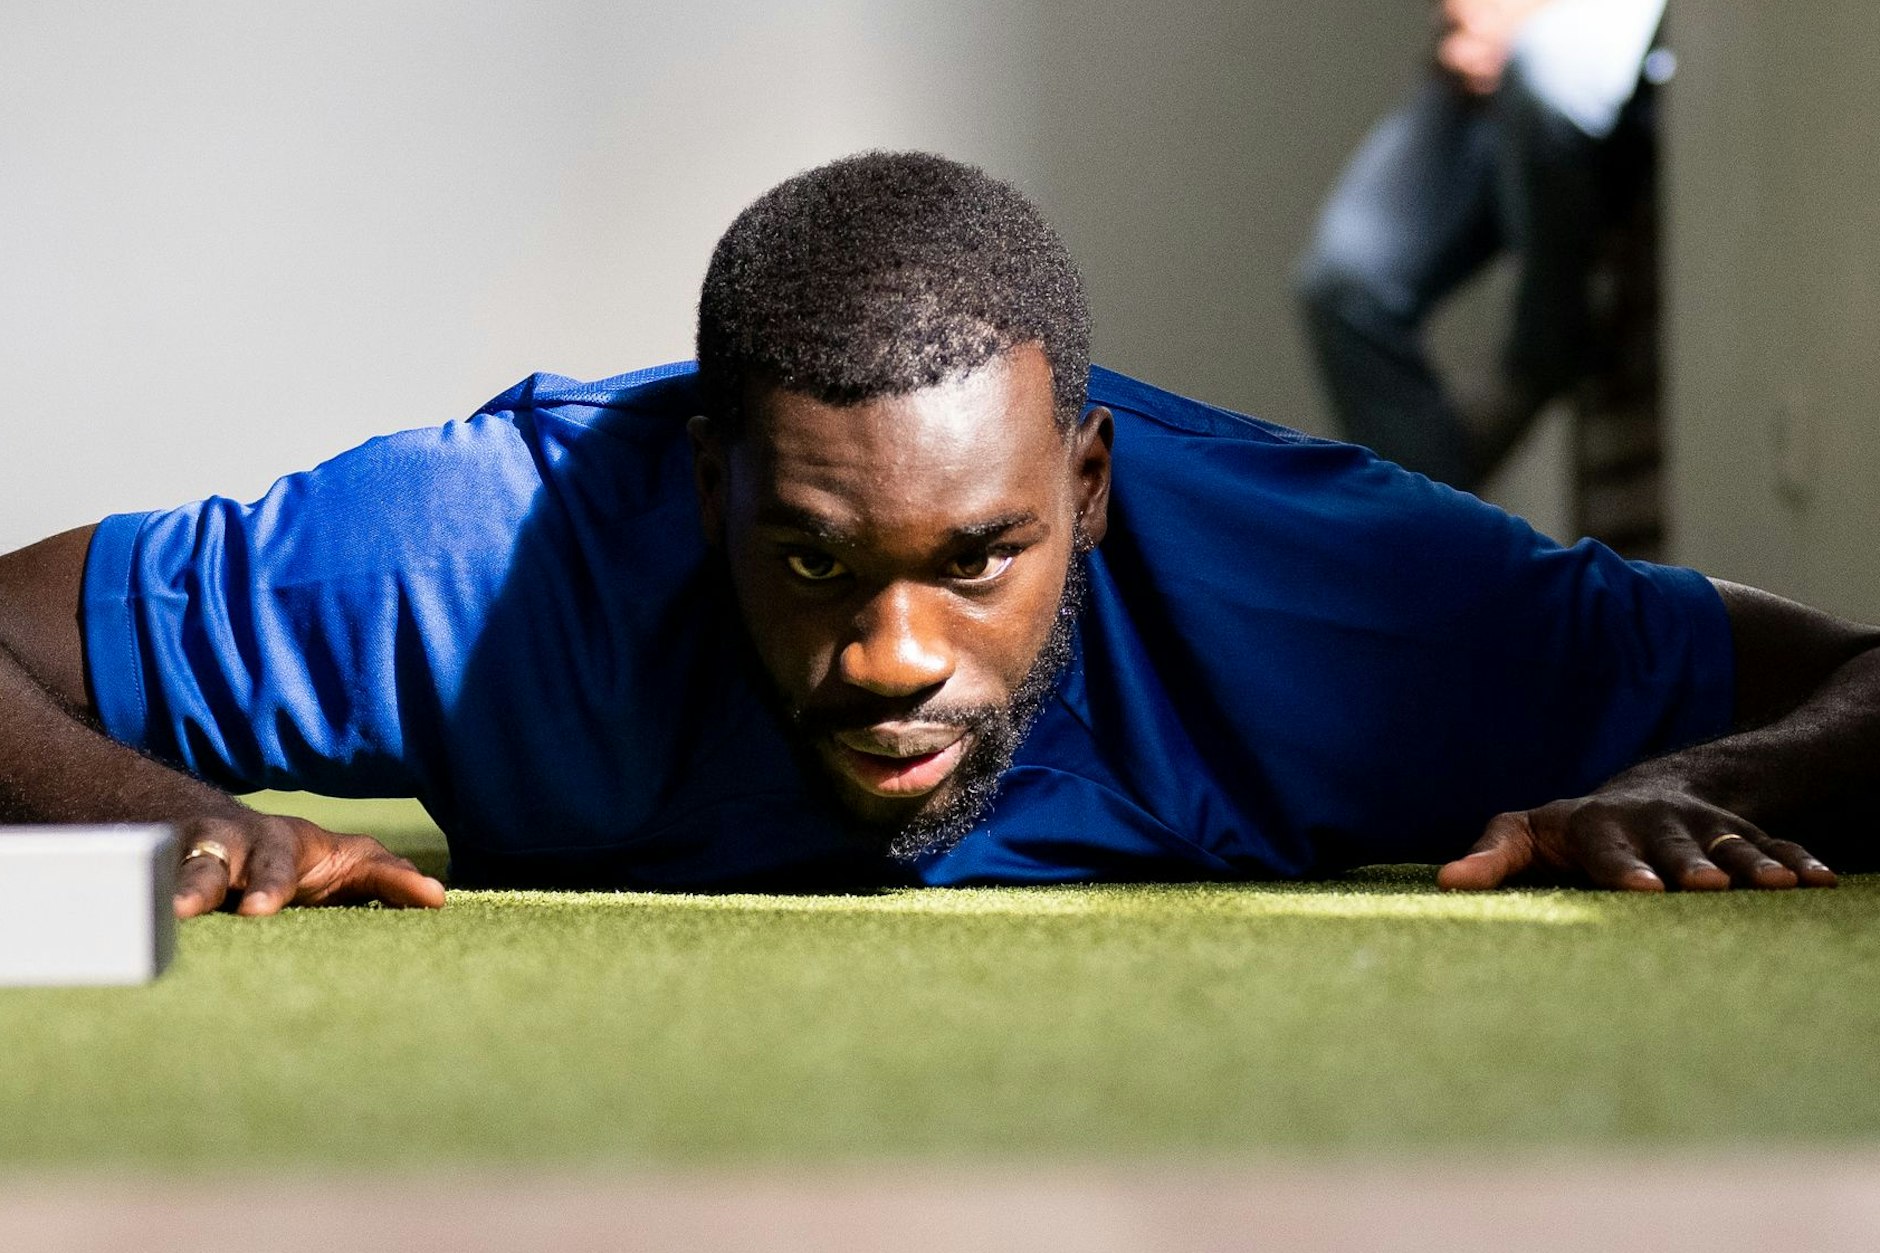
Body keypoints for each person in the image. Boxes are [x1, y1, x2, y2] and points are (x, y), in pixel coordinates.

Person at [0, 151, 1871, 919]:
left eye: (979, 555)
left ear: (1092, 489)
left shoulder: (1354, 605)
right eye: (815, 559)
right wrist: (157, 818)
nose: (895, 658)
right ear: (703, 485)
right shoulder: (474, 558)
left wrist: (1704, 775)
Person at [1296, 0, 1668, 490]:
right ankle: (1429, 523)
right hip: (1485, 38)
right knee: (1343, 285)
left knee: (1544, 75)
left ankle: (1547, 349)